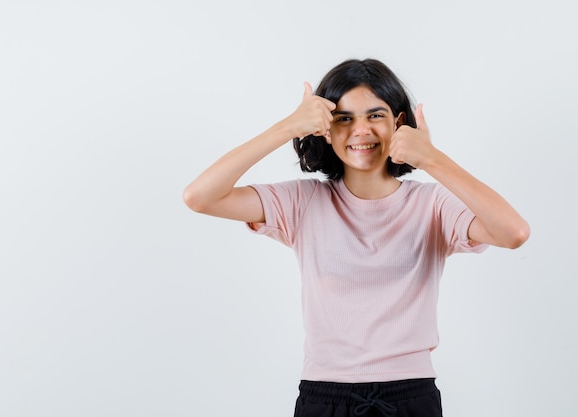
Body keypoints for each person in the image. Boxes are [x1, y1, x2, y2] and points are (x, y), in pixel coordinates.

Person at [182, 58, 530, 417]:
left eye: (375, 116)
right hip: (324, 396)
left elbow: (514, 232)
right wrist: (287, 127)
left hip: (411, 395)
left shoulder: (432, 205)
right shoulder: (303, 202)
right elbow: (200, 196)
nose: (361, 130)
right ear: (325, 129)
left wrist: (432, 160)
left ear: (399, 123)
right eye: (344, 118)